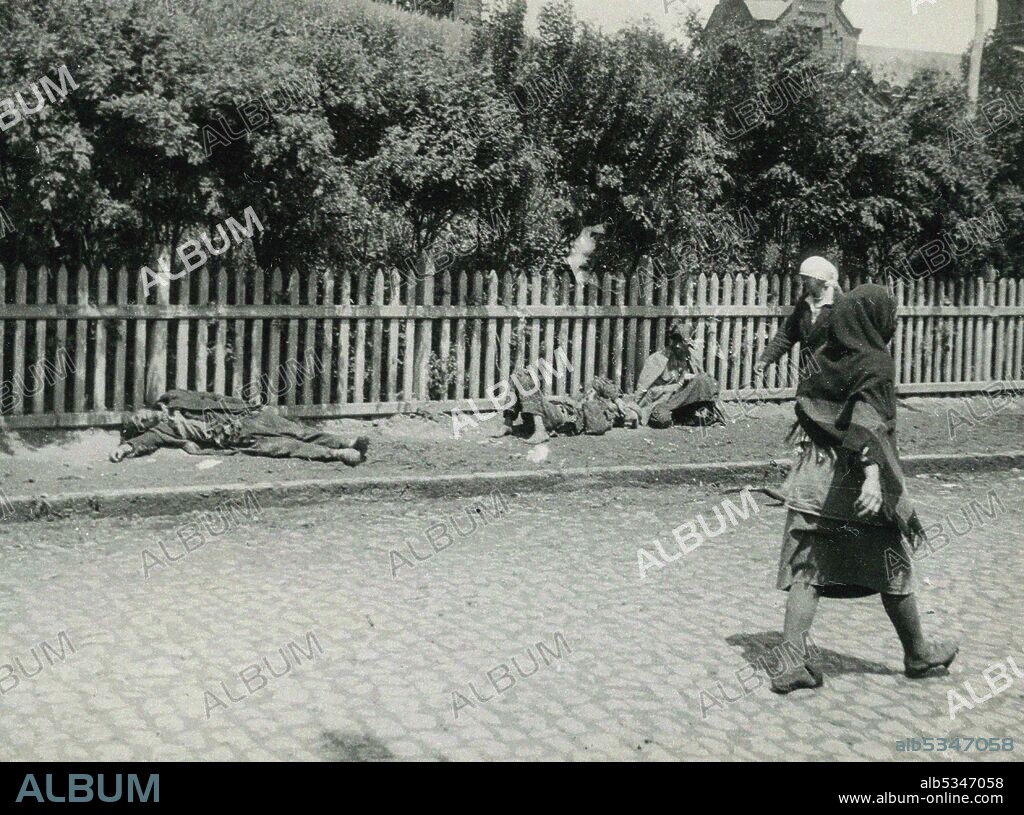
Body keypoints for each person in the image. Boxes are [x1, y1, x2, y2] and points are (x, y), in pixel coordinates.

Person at [772, 285, 958, 694]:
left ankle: (792, 663)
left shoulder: (824, 357)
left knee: (809, 570)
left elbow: (809, 406)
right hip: (854, 483)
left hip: (812, 477)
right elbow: (866, 419)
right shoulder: (875, 362)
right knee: (893, 564)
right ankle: (918, 653)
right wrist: (874, 476)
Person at [110, 389, 369, 465]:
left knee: (298, 430)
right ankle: (337, 455)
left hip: (245, 416)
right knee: (286, 446)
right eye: (139, 425)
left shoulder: (173, 396)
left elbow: (210, 397)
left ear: (143, 409)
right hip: (235, 437)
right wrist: (125, 448)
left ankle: (346, 442)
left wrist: (243, 405)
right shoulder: (163, 431)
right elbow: (143, 443)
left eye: (140, 416)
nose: (143, 420)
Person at [754, 255, 841, 382]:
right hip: (808, 372)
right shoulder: (804, 304)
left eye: (807, 278)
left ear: (820, 280)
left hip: (833, 375)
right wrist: (765, 359)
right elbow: (787, 334)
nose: (804, 282)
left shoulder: (839, 304)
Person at [631, 321, 722, 429]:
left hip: (683, 401)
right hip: (661, 402)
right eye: (675, 340)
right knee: (662, 419)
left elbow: (702, 386)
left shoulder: (691, 358)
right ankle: (681, 418)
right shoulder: (658, 359)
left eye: (681, 341)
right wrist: (634, 408)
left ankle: (688, 417)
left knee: (705, 379)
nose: (677, 345)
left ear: (688, 343)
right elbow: (644, 388)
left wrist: (691, 381)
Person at [501, 371, 624, 444]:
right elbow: (599, 382)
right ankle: (508, 424)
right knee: (517, 375)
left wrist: (591, 401)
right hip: (545, 413)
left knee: (523, 378)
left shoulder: (604, 410)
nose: (589, 392)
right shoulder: (588, 397)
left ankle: (540, 431)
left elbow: (596, 427)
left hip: (561, 417)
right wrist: (617, 398)